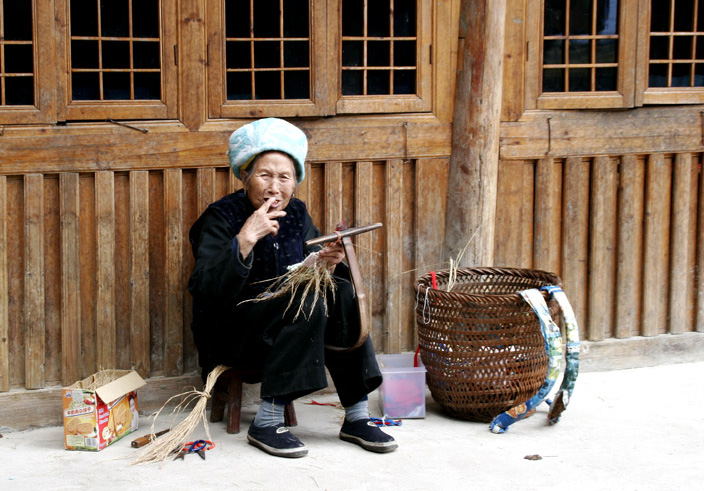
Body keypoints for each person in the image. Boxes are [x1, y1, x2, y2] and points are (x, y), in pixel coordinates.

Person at [188, 118, 397, 458]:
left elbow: (304, 268)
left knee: (340, 292)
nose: (274, 187)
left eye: (284, 177)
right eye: (264, 175)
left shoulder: (297, 214)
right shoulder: (221, 217)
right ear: (244, 176)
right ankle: (267, 421)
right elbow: (204, 287)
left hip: (293, 327)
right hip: (234, 333)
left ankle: (357, 414)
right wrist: (245, 238)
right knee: (307, 299)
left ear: (295, 182)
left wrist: (326, 263)